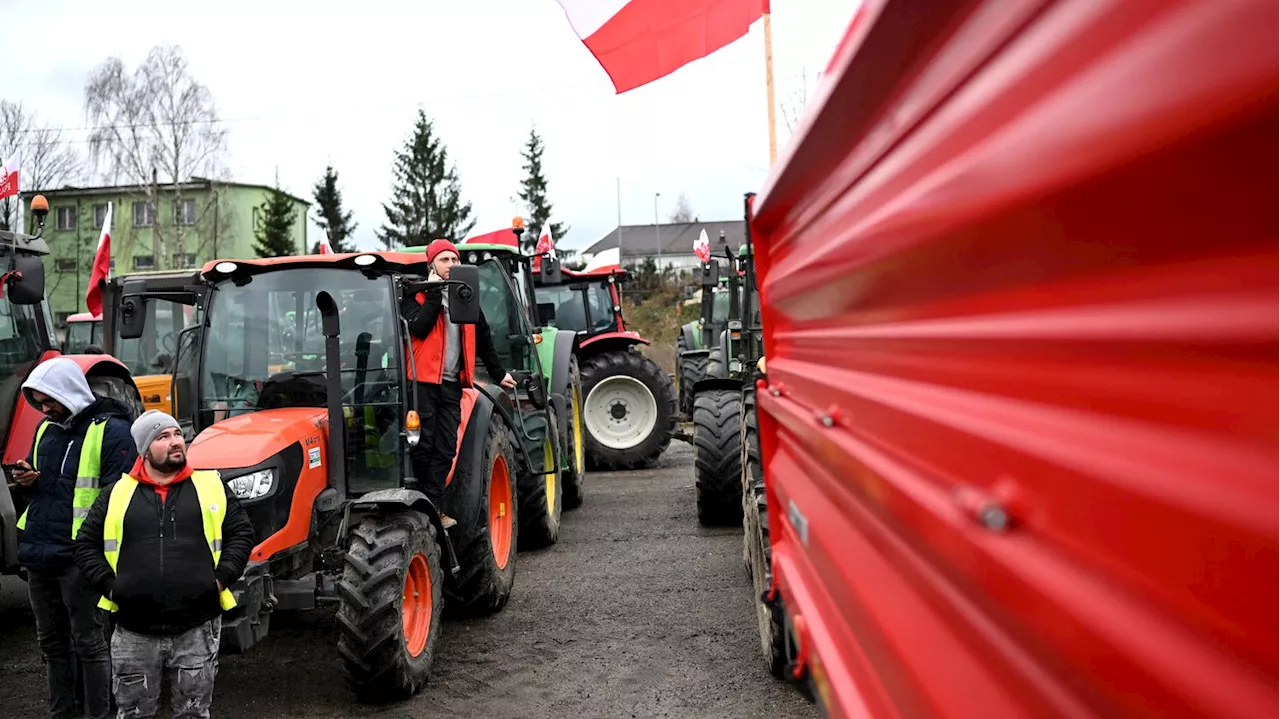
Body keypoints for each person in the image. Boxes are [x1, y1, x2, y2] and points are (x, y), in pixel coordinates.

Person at [73, 410, 255, 719]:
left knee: (193, 714)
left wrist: (221, 579)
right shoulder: (116, 493)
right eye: (162, 437)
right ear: (144, 449)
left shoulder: (210, 486)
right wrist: (110, 586)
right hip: (133, 630)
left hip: (196, 627)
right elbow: (84, 544)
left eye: (177, 435)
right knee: (133, 714)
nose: (175, 442)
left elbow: (242, 532)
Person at [10, 357, 139, 719]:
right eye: (38, 402)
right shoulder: (44, 431)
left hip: (81, 558)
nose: (45, 409)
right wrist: (28, 481)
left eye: (49, 400)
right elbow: (48, 489)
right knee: (51, 645)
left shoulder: (112, 432)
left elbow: (118, 497)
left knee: (89, 643)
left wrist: (91, 553)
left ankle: (98, 714)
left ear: (69, 392)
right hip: (39, 553)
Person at [400, 239, 517, 527]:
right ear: (431, 265)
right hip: (423, 384)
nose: (451, 265)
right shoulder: (412, 298)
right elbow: (420, 328)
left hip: (452, 385)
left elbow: (484, 336)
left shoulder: (465, 297)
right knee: (423, 447)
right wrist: (432, 294)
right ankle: (422, 506)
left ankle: (433, 507)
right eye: (444, 260)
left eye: (455, 260)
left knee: (446, 448)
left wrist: (498, 373)